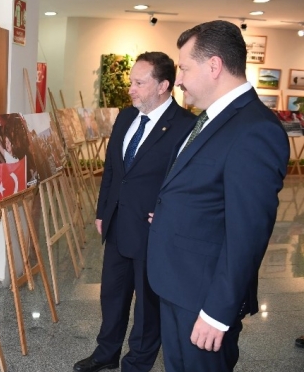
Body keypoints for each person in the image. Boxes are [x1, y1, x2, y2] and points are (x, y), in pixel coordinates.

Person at [147, 20, 289, 372]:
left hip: (204, 298)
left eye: (183, 68)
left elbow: (248, 235)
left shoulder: (255, 129)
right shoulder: (211, 118)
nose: (178, 79)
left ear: (214, 66)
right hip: (178, 281)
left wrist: (217, 313)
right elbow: (207, 194)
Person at [73, 52, 195, 372]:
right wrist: (102, 211)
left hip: (153, 230)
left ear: (163, 86)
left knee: (147, 306)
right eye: (131, 82)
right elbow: (113, 168)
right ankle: (106, 353)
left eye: (139, 83)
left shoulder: (184, 126)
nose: (131, 89)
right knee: (112, 295)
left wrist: (169, 215)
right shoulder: (127, 116)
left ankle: (137, 362)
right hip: (117, 223)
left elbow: (188, 183)